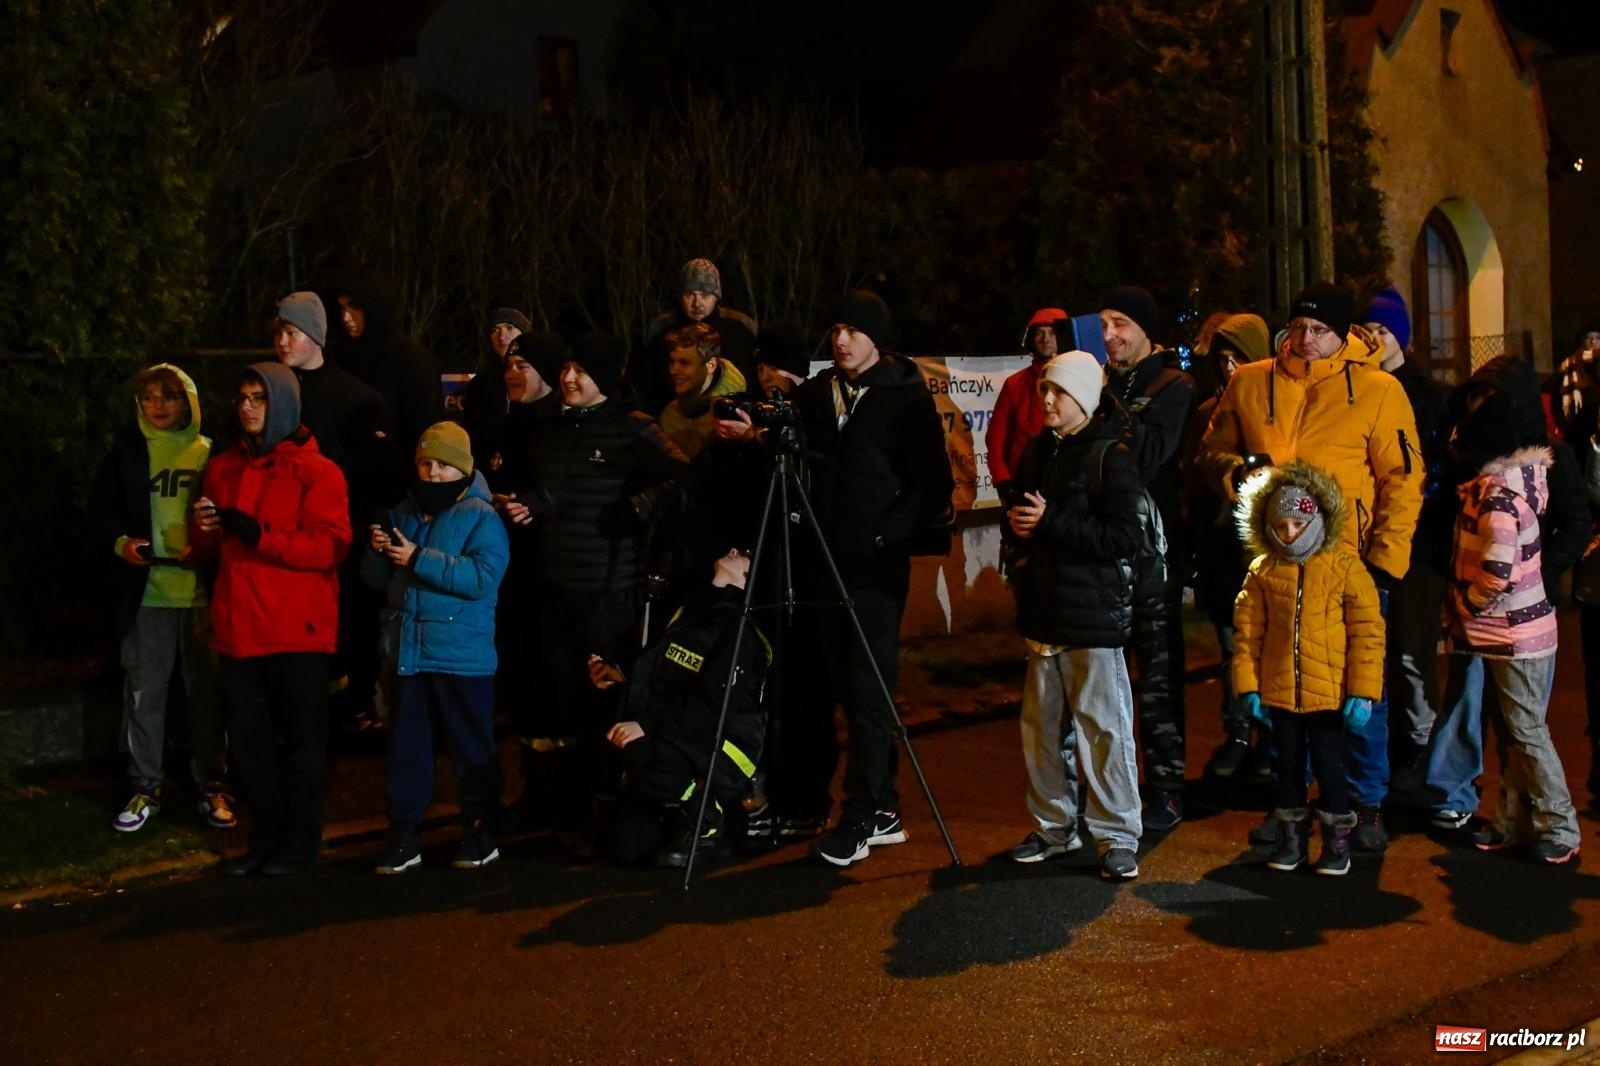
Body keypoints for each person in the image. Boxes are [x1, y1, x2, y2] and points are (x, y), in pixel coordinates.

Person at [715, 290, 954, 868]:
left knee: (870, 689)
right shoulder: (821, 393)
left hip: (875, 569)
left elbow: (932, 485)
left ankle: (859, 816)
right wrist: (757, 434)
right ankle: (885, 805)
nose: (841, 340)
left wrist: (884, 535)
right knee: (846, 687)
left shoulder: (905, 396)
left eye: (854, 330)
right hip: (823, 561)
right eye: (837, 329)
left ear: (877, 338)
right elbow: (799, 443)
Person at [1200, 280, 1422, 851]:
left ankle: (1365, 805)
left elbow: (1402, 479)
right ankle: (1289, 804)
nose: (1305, 339)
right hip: (1275, 566)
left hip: (1350, 568)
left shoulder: (1378, 390)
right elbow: (1210, 453)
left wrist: (1384, 563)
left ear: (1342, 334)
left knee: (1360, 691)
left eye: (1320, 330)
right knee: (1281, 691)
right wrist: (1238, 474)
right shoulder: (1252, 383)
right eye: (1298, 326)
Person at [523, 334, 691, 850]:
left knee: (605, 704)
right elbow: (557, 489)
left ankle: (612, 814)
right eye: (565, 368)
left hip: (608, 589)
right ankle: (566, 810)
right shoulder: (549, 426)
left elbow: (685, 478)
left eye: (581, 370)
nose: (569, 378)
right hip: (556, 584)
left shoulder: (632, 427)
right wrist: (534, 503)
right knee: (562, 702)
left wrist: (640, 506)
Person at [1420, 357, 1586, 856]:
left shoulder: (1505, 489)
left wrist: (1470, 599)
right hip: (1495, 623)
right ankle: (1514, 821)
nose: (1479, 410)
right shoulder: (1501, 473)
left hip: (1509, 621)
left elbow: (1501, 569)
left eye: (1489, 401)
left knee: (1527, 730)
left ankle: (1559, 827)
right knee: (1511, 728)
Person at [194, 362, 351, 875]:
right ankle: (264, 839)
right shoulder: (223, 467)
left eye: (258, 398)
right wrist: (205, 528)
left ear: (282, 403)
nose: (247, 407)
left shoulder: (317, 471)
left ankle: (299, 843)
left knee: (302, 748)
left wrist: (259, 535)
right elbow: (208, 549)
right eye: (242, 397)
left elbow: (329, 547)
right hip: (240, 630)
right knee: (251, 750)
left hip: (296, 632)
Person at [1002, 350, 1146, 880]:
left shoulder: (1110, 456)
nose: (1047, 399)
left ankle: (1118, 836)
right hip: (1044, 612)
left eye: (1058, 391)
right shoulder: (1039, 449)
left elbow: (1125, 537)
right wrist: (1018, 527)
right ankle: (1054, 828)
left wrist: (1051, 522)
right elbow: (1027, 515)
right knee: (1041, 731)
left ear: (1083, 397)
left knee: (1104, 729)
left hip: (1092, 619)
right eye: (1045, 389)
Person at [365, 423, 510, 874]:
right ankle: (404, 835)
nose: (433, 473)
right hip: (410, 652)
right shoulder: (404, 512)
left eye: (444, 465)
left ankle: (480, 831)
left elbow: (482, 578)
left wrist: (416, 557)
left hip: (462, 657)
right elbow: (375, 581)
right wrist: (376, 551)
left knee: (471, 750)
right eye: (426, 463)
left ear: (463, 469)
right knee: (407, 751)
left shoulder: (482, 517)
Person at [95, 364, 229, 833]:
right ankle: (144, 787)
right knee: (144, 695)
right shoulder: (127, 451)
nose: (158, 405)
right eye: (149, 397)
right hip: (147, 595)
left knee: (207, 696)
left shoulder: (211, 452)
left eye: (169, 396)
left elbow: (231, 517)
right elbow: (101, 512)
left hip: (200, 595)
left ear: (188, 402)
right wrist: (122, 545)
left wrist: (209, 548)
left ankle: (212, 784)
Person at [1233, 462, 1384, 875]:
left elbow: (1367, 633)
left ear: (1317, 519)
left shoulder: (1345, 567)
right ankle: (1292, 839)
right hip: (1280, 692)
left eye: (1298, 524)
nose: (1289, 534)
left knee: (1330, 766)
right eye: (1280, 526)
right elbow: (1247, 634)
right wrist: (1249, 686)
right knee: (1286, 767)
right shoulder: (1263, 571)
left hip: (1329, 694)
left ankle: (1337, 842)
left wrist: (1362, 691)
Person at [589, 548, 770, 866]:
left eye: (743, 554)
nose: (732, 551)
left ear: (749, 577)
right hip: (681, 732)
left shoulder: (739, 630)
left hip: (724, 745)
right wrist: (615, 673)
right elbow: (658, 667)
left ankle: (707, 821)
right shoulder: (696, 611)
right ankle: (673, 816)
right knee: (626, 847)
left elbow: (710, 708)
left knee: (640, 748)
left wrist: (645, 726)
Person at [272, 291, 393, 740]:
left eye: (292, 331)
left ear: (315, 336)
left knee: (346, 629)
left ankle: (352, 709)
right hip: (283, 538)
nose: (282, 341)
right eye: (279, 332)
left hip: (338, 538)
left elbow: (371, 471)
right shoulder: (269, 390)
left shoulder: (355, 397)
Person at [1100, 286, 1195, 830]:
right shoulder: (1107, 384)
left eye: (1120, 324)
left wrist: (1104, 404)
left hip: (1153, 556)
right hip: (1104, 550)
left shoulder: (1172, 386)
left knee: (1157, 677)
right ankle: (1113, 787)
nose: (1109, 335)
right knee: (1103, 679)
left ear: (1145, 329)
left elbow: (1150, 454)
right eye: (1104, 325)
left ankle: (1167, 787)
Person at [1358, 286, 1452, 793]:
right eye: (1368, 329)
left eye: (1383, 330)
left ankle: (1418, 751)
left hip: (1416, 546)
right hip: (1367, 541)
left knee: (1412, 654)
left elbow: (1430, 469)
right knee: (1374, 651)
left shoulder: (1429, 397)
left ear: (1402, 337)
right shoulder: (1357, 388)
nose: (1375, 338)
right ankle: (1383, 754)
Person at [1183, 314, 1272, 780]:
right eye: (1223, 360)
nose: (1231, 368)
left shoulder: (1276, 408)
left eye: (1239, 358)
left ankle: (1271, 739)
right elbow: (1194, 476)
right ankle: (1237, 733)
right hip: (1220, 547)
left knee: (1266, 646)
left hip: (1262, 548)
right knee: (1230, 647)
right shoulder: (1207, 412)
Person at [331, 270, 444, 485]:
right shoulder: (343, 358)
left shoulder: (412, 361)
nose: (346, 317)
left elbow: (428, 432)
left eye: (354, 307)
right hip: (351, 482)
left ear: (373, 308)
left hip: (402, 486)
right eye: (342, 308)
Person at [636, 258, 758, 415]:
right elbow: (642, 388)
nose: (697, 303)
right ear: (680, 296)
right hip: (671, 422)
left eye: (705, 295)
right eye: (690, 294)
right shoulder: (657, 331)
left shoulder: (742, 329)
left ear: (716, 296)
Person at [987, 307, 1067, 495]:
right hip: (1022, 484)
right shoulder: (1015, 384)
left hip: (1067, 483)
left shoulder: (1081, 381)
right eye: (1039, 333)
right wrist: (1002, 480)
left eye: (1052, 333)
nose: (1046, 339)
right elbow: (996, 437)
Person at [656, 322, 747, 459]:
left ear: (711, 365)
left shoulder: (735, 415)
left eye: (684, 363)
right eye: (672, 362)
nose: (673, 370)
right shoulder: (670, 414)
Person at [461, 306, 533, 448]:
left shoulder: (542, 379)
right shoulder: (479, 385)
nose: (501, 336)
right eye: (495, 330)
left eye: (510, 328)